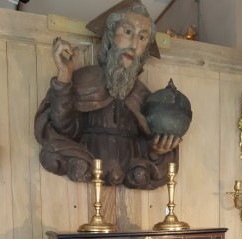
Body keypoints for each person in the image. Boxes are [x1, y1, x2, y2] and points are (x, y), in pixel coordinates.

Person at [34, 1, 181, 189]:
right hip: (82, 174)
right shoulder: (85, 79)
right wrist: (64, 77)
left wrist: (154, 151)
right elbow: (64, 130)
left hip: (132, 178)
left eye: (142, 38)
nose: (134, 45)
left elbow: (146, 146)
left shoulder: (144, 96)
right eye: (128, 32)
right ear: (111, 35)